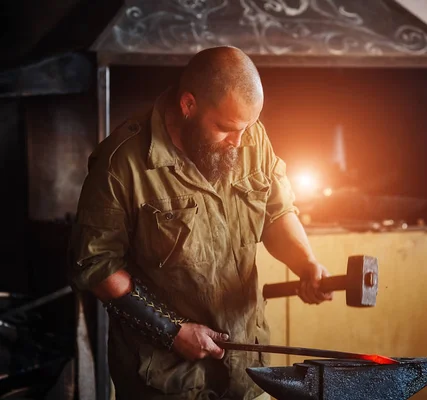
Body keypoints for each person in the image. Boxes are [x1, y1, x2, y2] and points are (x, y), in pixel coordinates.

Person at [68, 46, 333, 400]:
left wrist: (306, 264)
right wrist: (170, 331)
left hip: (246, 367)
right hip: (166, 378)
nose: (239, 142)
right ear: (188, 105)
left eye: (247, 127)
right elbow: (97, 265)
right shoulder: (122, 164)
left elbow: (277, 211)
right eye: (225, 128)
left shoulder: (249, 138)